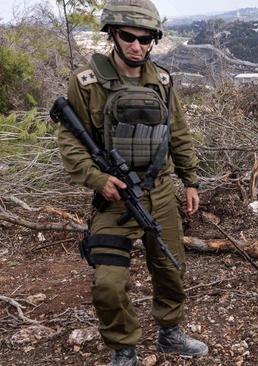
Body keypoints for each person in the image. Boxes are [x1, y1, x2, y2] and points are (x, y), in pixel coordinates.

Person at [56, 0, 207, 364]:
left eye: (146, 39)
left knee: (171, 267)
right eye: (128, 37)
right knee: (108, 283)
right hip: (113, 198)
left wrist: (190, 181)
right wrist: (97, 179)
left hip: (158, 191)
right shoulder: (86, 84)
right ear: (113, 35)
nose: (137, 46)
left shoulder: (163, 81)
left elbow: (179, 134)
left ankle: (170, 333)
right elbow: (70, 141)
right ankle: (124, 347)